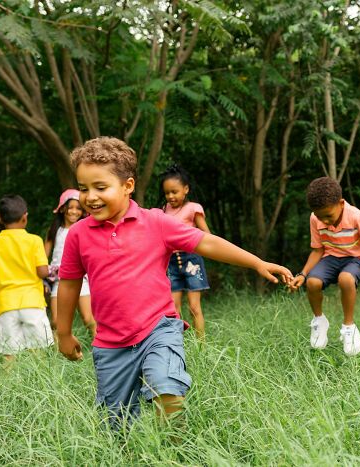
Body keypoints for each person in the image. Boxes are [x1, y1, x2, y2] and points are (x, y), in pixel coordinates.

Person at [56, 137, 292, 426]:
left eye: (100, 187)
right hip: (110, 344)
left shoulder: (155, 222)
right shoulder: (78, 235)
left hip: (158, 328)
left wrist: (257, 262)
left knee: (168, 390)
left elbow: (206, 243)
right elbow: (68, 284)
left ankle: (173, 450)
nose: (90, 197)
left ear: (128, 186)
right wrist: (64, 332)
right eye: (83, 188)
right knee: (115, 425)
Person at [289, 177, 360, 356]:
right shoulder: (314, 218)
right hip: (331, 257)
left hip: (357, 258)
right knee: (312, 282)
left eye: (328, 216)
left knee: (346, 278)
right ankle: (319, 321)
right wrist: (302, 274)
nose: (324, 221)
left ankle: (349, 327)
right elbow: (317, 250)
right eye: (319, 217)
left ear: (341, 203)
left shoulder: (356, 217)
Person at [0, 195, 54, 361]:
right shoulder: (35, 241)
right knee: (38, 353)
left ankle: (8, 384)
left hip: (6, 305)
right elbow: (42, 272)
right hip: (32, 303)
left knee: (10, 354)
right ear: (25, 217)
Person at [159, 165, 211, 340]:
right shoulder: (163, 210)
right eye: (167, 193)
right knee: (173, 308)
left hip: (191, 260)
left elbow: (206, 235)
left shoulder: (193, 208)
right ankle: (176, 343)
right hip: (171, 262)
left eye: (174, 191)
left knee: (194, 307)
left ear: (186, 189)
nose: (170, 196)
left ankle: (201, 345)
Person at [44, 189, 96, 335]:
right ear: (62, 209)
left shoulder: (85, 229)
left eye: (79, 208)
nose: (74, 211)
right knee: (56, 321)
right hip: (59, 278)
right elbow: (43, 256)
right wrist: (44, 279)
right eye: (71, 207)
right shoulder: (54, 230)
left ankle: (101, 350)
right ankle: (60, 353)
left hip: (82, 278)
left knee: (88, 318)